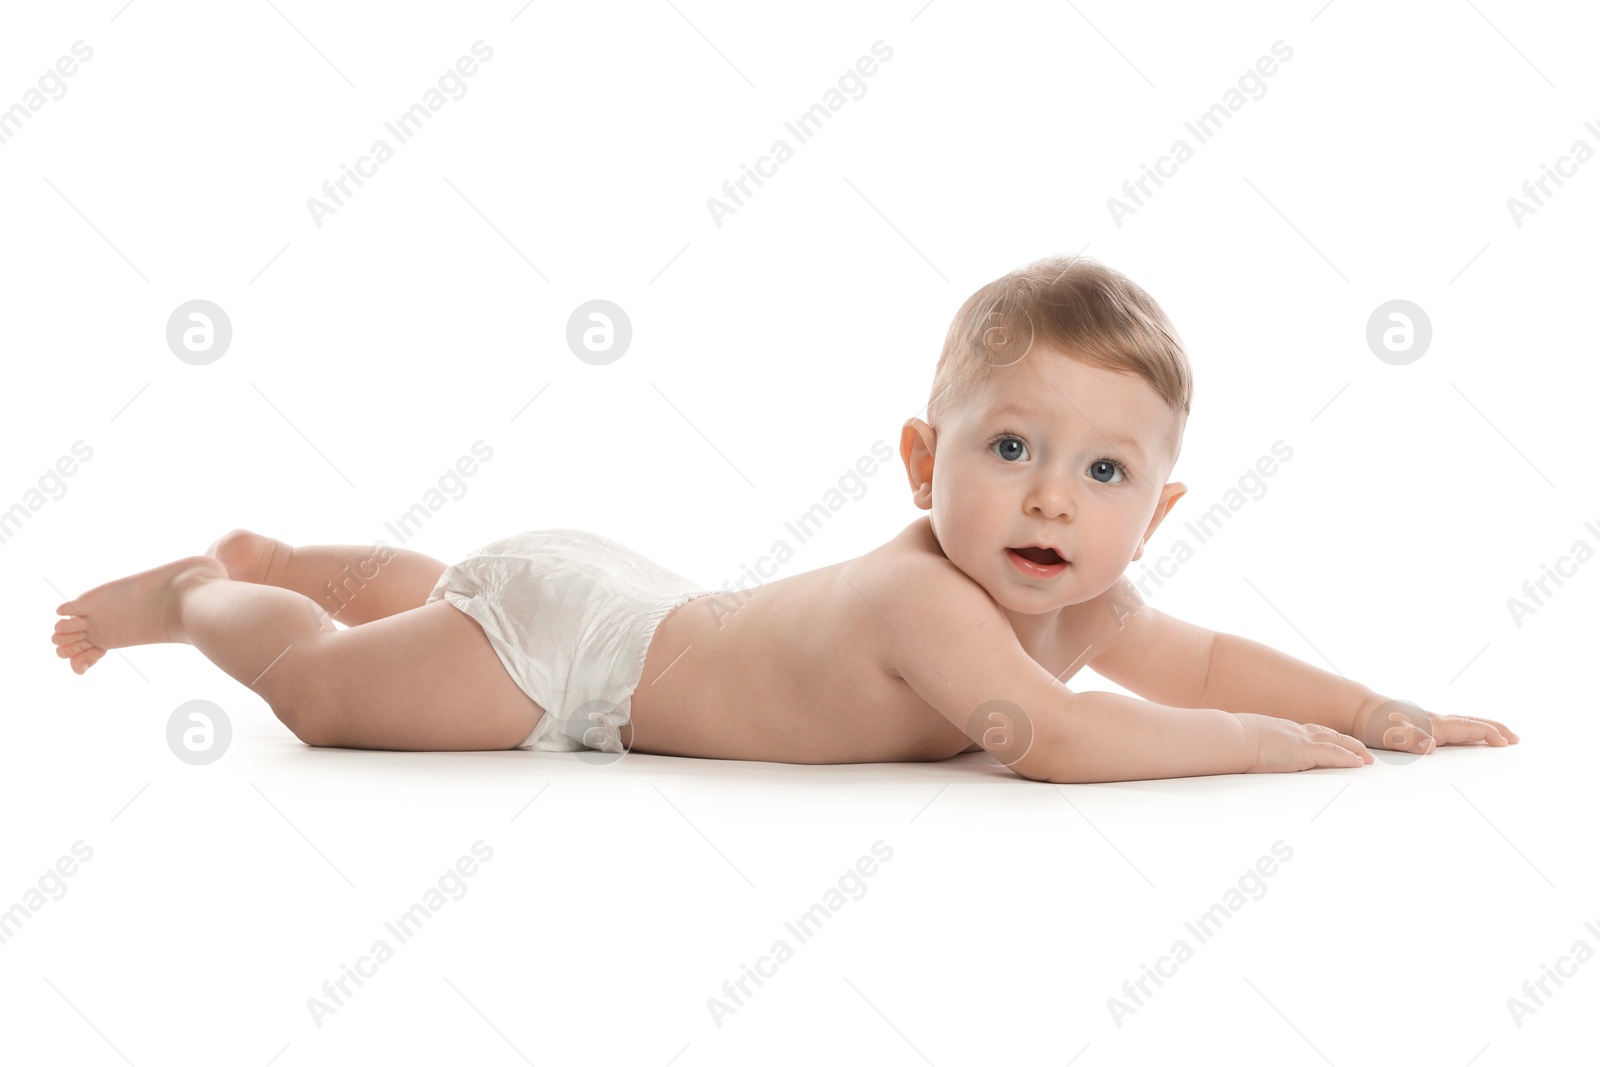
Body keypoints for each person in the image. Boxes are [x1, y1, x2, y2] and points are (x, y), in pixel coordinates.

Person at [51, 254, 1518, 781]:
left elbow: (1194, 668)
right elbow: (1057, 741)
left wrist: (1377, 709)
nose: (1052, 496)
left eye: (1106, 474)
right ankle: (209, 591)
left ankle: (309, 561)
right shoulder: (929, 601)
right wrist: (1266, 754)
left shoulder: (1087, 600)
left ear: (1161, 509)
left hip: (634, 597)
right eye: (1011, 445)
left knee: (461, 583)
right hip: (575, 662)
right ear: (917, 459)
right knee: (319, 694)